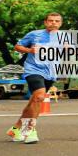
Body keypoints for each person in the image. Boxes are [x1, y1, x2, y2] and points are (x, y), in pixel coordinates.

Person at [7, 12, 63, 144]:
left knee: (34, 101)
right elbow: (17, 46)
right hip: (33, 69)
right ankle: (30, 130)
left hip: (51, 72)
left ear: (60, 23)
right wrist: (30, 51)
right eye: (50, 20)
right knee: (39, 96)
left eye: (57, 21)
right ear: (45, 22)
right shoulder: (34, 34)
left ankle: (16, 129)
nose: (53, 23)